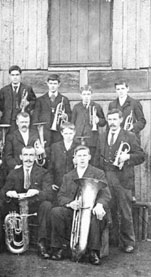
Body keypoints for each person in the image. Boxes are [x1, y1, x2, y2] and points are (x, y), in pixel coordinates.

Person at [0, 146, 54, 258]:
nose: (28, 158)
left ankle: (42, 244)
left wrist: (37, 192)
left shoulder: (44, 172)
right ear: (21, 157)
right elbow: (2, 192)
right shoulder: (14, 173)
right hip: (16, 205)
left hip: (34, 206)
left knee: (47, 205)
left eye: (31, 155)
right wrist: (9, 194)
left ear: (35, 157)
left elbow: (49, 194)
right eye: (25, 155)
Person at [94, 109, 145, 254]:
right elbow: (98, 157)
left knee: (125, 212)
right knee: (108, 209)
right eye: (110, 120)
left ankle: (129, 242)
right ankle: (113, 240)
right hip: (106, 177)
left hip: (122, 180)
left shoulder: (129, 135)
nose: (112, 122)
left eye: (115, 119)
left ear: (121, 120)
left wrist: (127, 157)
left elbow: (141, 156)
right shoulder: (102, 136)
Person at [50, 145, 111, 265]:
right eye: (79, 156)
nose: (82, 158)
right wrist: (70, 203)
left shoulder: (98, 173)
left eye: (84, 155)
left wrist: (99, 205)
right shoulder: (68, 176)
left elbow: (106, 194)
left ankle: (94, 252)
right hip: (74, 210)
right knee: (56, 212)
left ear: (89, 157)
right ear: (75, 159)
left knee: (95, 217)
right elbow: (60, 196)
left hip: (92, 209)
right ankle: (59, 248)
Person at [32, 74, 71, 146]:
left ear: (59, 84)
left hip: (59, 132)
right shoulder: (40, 100)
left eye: (55, 83)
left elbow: (70, 115)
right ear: (47, 84)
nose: (53, 86)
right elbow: (35, 117)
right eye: (51, 83)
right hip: (44, 132)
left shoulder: (64, 99)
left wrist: (65, 116)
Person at [71, 85, 106, 160]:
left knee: (92, 159)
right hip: (78, 138)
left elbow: (103, 122)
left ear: (91, 95)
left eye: (88, 94)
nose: (86, 96)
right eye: (84, 94)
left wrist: (98, 120)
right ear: (81, 95)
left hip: (92, 138)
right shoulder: (76, 107)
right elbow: (72, 123)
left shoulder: (97, 106)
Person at [0, 65, 36, 133]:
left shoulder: (27, 88)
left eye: (17, 75)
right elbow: (0, 105)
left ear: (20, 75)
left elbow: (34, 102)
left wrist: (28, 104)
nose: (15, 77)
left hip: (23, 120)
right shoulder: (3, 90)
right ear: (9, 76)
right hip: (8, 121)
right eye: (13, 75)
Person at [48, 122, 79, 194]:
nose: (68, 136)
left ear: (74, 133)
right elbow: (51, 167)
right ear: (62, 133)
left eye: (70, 133)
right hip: (58, 184)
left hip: (74, 184)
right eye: (66, 133)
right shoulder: (55, 147)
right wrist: (51, 183)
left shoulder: (78, 147)